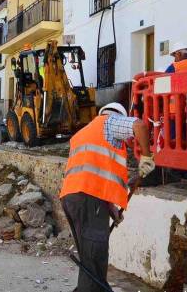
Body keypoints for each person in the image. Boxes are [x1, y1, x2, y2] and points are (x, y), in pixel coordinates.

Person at [59, 102, 155, 292]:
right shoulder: (111, 122)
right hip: (88, 199)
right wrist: (146, 156)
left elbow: (95, 177)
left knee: (90, 256)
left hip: (73, 198)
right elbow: (140, 126)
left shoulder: (84, 133)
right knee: (95, 255)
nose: (127, 140)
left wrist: (112, 211)